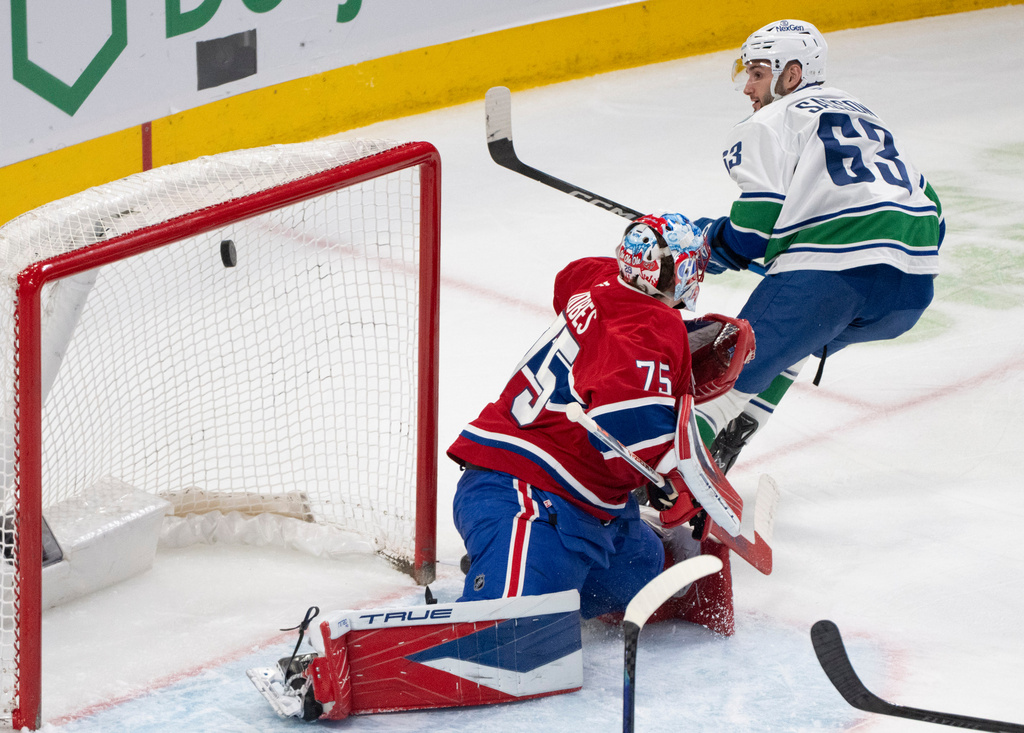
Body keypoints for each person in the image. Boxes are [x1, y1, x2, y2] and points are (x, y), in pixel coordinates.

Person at [447, 212, 740, 619]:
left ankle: (511, 562)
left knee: (639, 573)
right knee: (512, 630)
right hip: (524, 490)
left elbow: (568, 278)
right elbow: (627, 429)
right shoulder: (651, 328)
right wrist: (675, 482)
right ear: (684, 272)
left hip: (591, 505)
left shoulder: (598, 278)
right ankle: (508, 566)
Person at [694, 19, 944, 472]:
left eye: (757, 74)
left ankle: (673, 480)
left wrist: (706, 243)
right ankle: (736, 432)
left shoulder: (769, 122)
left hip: (835, 274)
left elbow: (750, 235)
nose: (747, 88)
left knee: (729, 365)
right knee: (799, 338)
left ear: (792, 75)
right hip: (911, 288)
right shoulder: (865, 113)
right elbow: (930, 203)